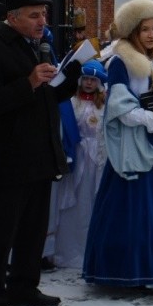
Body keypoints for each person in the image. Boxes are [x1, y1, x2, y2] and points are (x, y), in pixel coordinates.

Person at [0, 0, 83, 306]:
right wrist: (28, 82)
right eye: (34, 15)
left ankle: (23, 285)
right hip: (12, 154)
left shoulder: (37, 46)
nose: (43, 21)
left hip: (41, 151)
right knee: (3, 230)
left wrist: (74, 76)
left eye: (44, 15)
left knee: (34, 227)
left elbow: (48, 97)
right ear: (13, 18)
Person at [83, 0, 153, 288]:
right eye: (144, 29)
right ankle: (133, 273)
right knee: (134, 210)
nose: (150, 35)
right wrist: (149, 118)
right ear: (132, 31)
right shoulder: (121, 60)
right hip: (135, 144)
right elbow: (119, 106)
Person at [45, 61, 108, 269]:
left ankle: (88, 251)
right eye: (86, 79)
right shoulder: (70, 102)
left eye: (93, 80)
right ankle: (66, 253)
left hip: (96, 161)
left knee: (91, 203)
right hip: (77, 160)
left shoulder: (104, 105)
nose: (89, 83)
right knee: (72, 206)